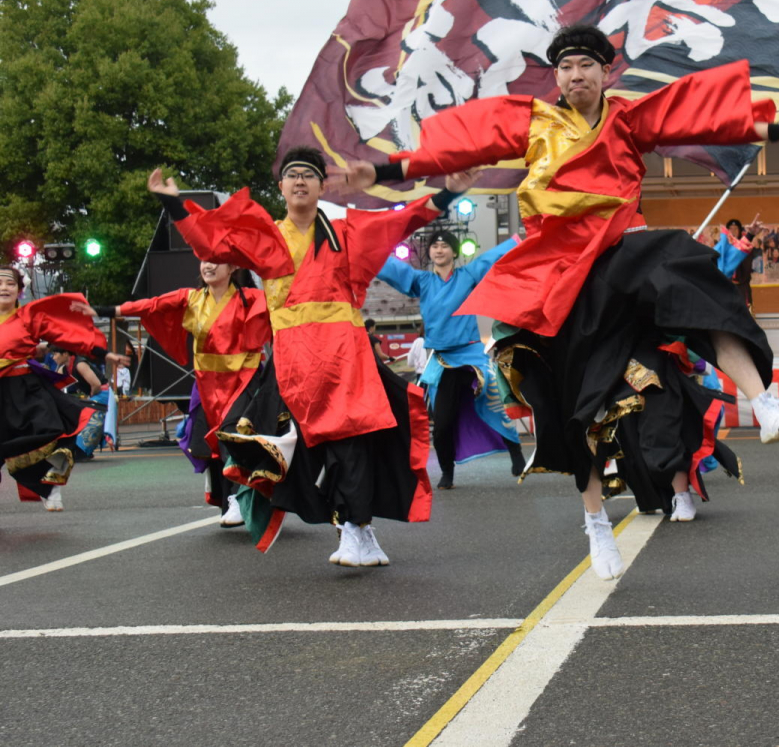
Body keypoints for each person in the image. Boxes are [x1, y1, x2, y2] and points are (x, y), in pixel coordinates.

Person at [332, 24, 779, 580]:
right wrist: (384, 171)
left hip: (622, 253)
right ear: (556, 75)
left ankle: (765, 403)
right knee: (578, 408)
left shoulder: (627, 119)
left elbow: (707, 116)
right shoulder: (534, 122)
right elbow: (461, 143)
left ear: (606, 72)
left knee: (691, 276)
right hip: (564, 276)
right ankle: (596, 523)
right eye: (565, 67)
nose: (575, 75)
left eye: (586, 65)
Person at [147, 147, 475, 567]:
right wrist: (173, 203)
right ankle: (356, 527)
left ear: (322, 186)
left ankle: (355, 529)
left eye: (308, 175)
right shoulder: (265, 237)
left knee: (351, 441)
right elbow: (210, 241)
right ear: (281, 187)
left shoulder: (346, 233)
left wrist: (449, 193)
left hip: (346, 357)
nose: (300, 181)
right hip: (296, 364)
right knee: (312, 451)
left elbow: (404, 220)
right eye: (292, 175)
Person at [78, 261, 271, 528]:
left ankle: (240, 496)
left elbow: (283, 306)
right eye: (205, 260)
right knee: (209, 444)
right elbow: (151, 306)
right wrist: (104, 310)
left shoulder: (251, 298)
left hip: (243, 380)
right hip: (208, 384)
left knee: (233, 432)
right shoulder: (191, 298)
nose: (209, 266)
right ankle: (231, 500)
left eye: (216, 261)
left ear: (232, 267)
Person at [377, 227, 527, 489]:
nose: (439, 250)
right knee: (443, 423)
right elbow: (396, 270)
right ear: (430, 252)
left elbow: (490, 259)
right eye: (435, 246)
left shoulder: (467, 275)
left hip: (472, 356)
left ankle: (515, 451)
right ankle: (447, 471)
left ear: (454, 252)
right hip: (443, 361)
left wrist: (518, 240)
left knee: (493, 405)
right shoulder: (422, 281)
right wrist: (370, 253)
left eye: (445, 246)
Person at [0, 265, 127, 512]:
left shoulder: (28, 317)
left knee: (49, 432)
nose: (4, 288)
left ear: (19, 290)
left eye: (10, 284)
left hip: (24, 388)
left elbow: (67, 336)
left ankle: (49, 484)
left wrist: (103, 353)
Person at [713, 216, 761, 309]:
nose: (733, 232)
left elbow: (740, 257)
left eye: (735, 229)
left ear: (740, 231)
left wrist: (750, 235)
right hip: (725, 288)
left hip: (741, 287)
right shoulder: (721, 249)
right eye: (730, 229)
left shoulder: (744, 249)